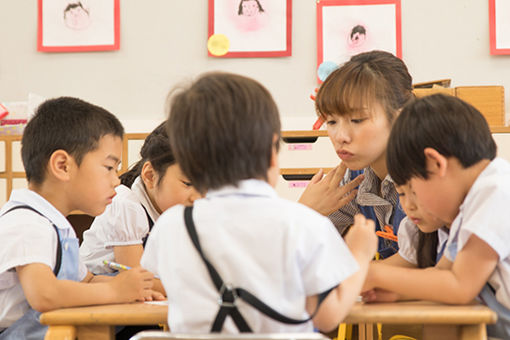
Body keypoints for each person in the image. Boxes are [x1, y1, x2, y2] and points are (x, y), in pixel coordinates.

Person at [141, 72, 377, 333]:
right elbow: (327, 317)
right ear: (271, 151)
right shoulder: (306, 224)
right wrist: (359, 255)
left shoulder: (171, 226)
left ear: (188, 160)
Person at [0, 97, 163, 339]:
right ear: (62, 166)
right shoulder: (27, 223)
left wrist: (136, 287)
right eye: (109, 168)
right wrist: (116, 290)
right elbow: (45, 294)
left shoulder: (55, 225)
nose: (116, 180)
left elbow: (86, 282)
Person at [365, 94, 510, 338]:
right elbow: (443, 274)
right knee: (443, 314)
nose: (410, 203)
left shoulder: (495, 190)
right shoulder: (470, 204)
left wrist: (372, 273)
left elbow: (460, 285)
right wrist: (396, 290)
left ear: (435, 164)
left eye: (412, 188)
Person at [299, 50, 414, 259]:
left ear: (399, 117)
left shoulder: (424, 176)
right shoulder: (355, 179)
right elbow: (300, 253)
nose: (341, 136)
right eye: (331, 122)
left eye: (357, 120)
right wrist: (304, 212)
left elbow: (417, 264)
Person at [79, 122, 199, 291]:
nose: (199, 197)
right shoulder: (126, 204)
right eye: (188, 183)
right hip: (94, 294)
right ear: (150, 175)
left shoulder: (173, 212)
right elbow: (140, 283)